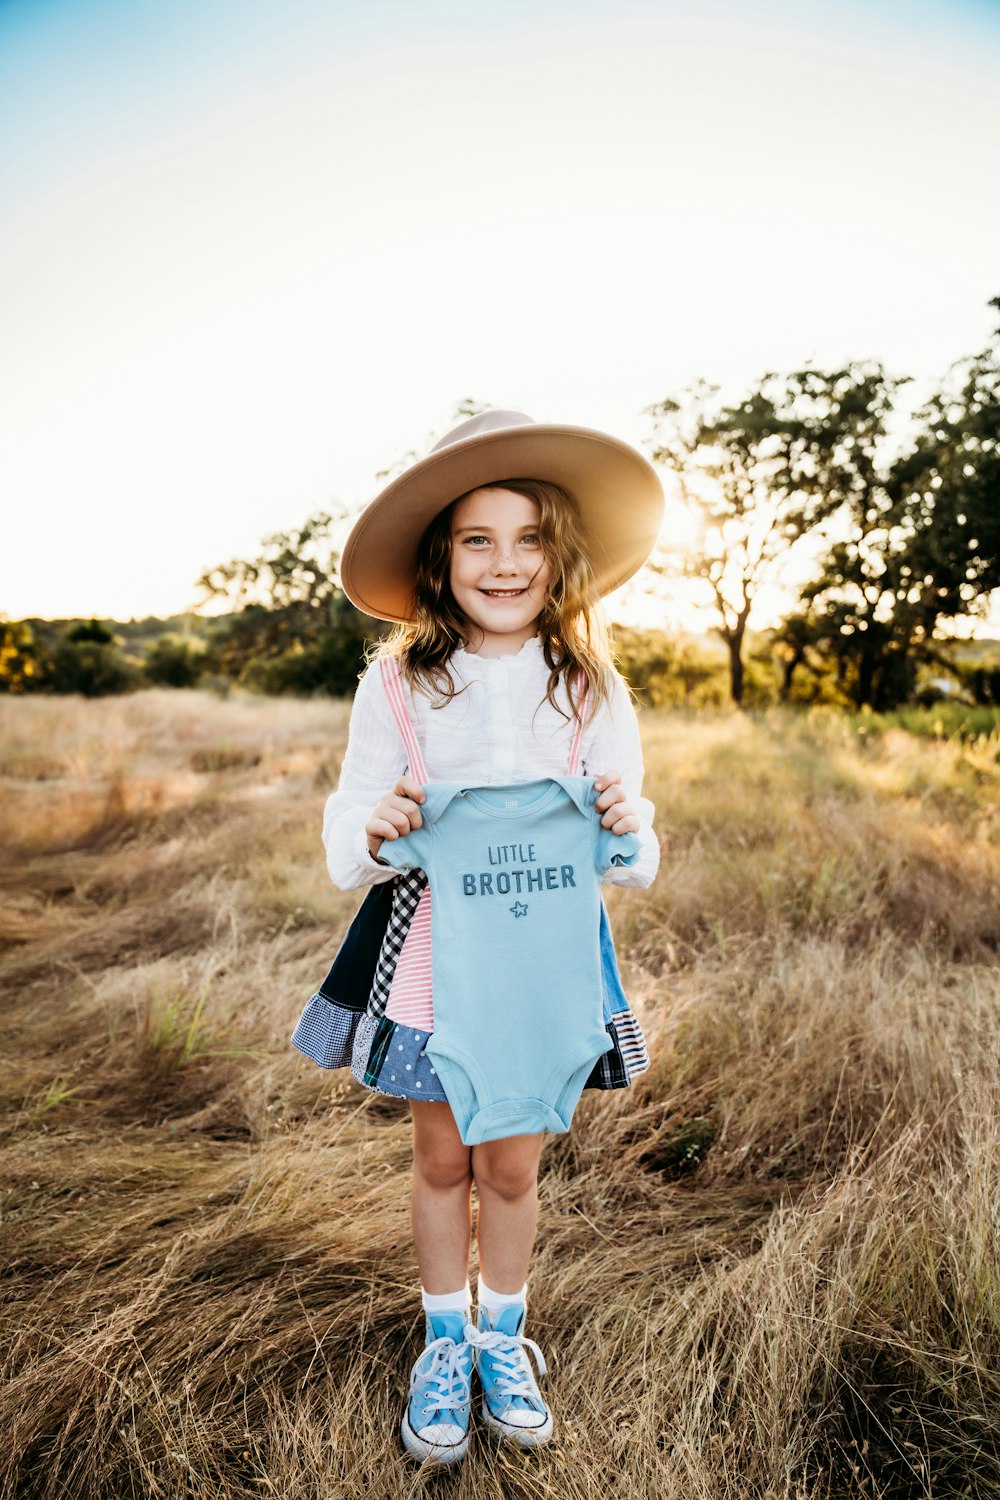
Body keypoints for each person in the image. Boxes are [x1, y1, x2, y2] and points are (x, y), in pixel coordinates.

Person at [296, 410, 663, 1466]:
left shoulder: (588, 684)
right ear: (439, 556)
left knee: (510, 1163)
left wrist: (627, 827)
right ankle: (442, 1340)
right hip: (428, 955)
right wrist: (375, 828)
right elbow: (349, 818)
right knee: (442, 1154)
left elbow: (630, 840)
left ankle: (503, 1336)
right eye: (476, 540)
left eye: (530, 538)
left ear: (562, 556)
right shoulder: (398, 682)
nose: (504, 564)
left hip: (543, 958)